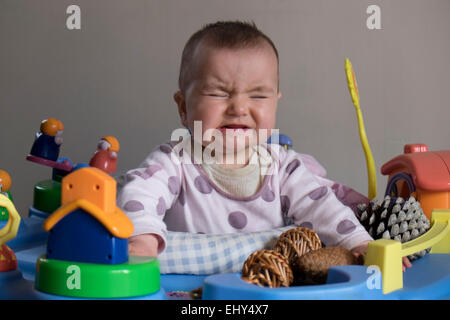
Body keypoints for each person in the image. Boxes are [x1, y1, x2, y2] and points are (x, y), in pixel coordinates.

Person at [117, 21, 411, 270]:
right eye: (219, 93)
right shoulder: (174, 160)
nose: (239, 108)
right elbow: (138, 195)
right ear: (183, 108)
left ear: (276, 103)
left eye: (258, 96)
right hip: (187, 286)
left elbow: (324, 208)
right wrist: (141, 239)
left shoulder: (283, 166)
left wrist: (360, 244)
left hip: (270, 282)